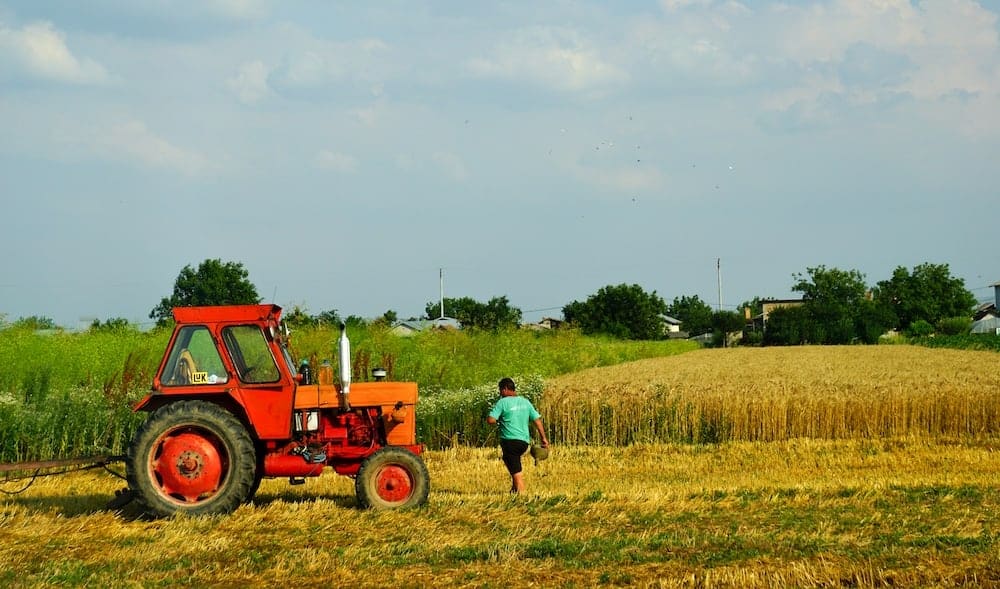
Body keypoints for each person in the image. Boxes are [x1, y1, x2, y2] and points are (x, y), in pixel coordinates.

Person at [486, 377, 549, 494]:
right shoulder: (526, 402)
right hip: (524, 442)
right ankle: (514, 490)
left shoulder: (503, 402)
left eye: (500, 390)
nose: (500, 393)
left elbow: (490, 420)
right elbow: (537, 421)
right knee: (512, 460)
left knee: (514, 466)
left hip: (509, 440)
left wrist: (499, 420)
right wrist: (544, 438)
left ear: (505, 389)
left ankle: (521, 492)